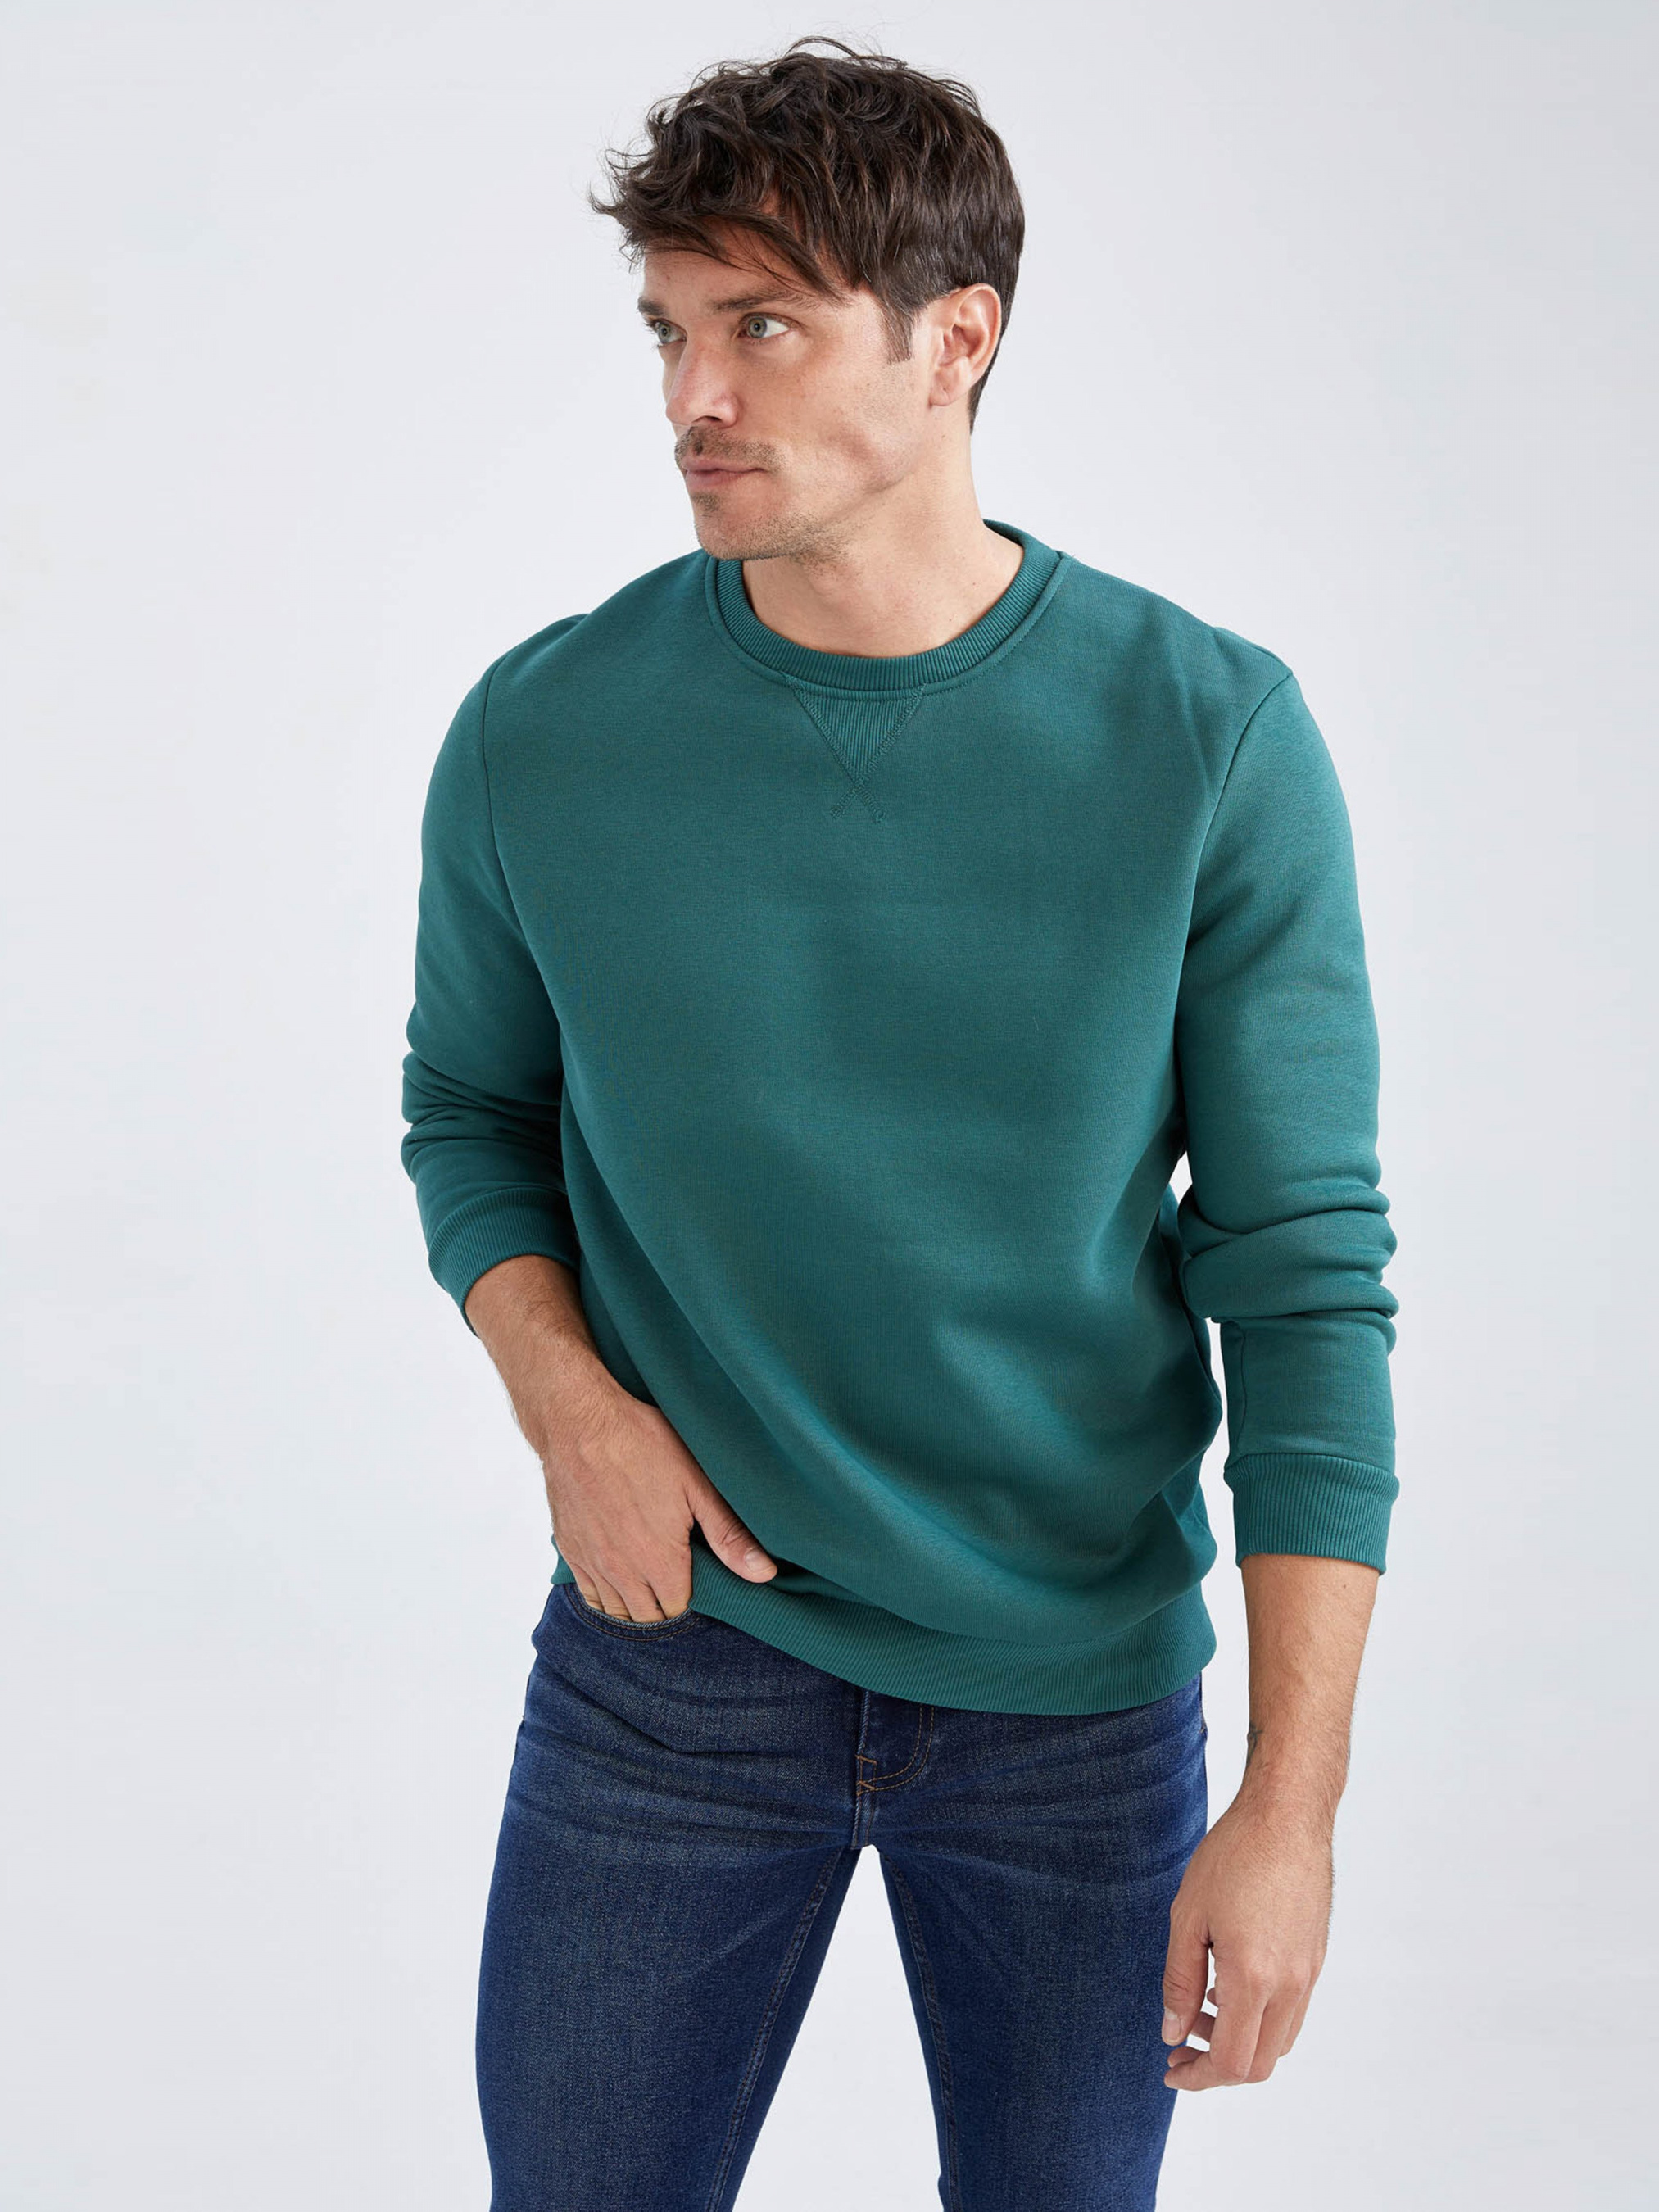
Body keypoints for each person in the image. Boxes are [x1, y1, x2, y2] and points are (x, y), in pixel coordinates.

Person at [399, 34, 1398, 2211]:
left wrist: (1290, 1804)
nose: (693, 395)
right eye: (668, 329)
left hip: (1074, 1698)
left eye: (762, 325)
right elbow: (469, 1110)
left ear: (959, 339)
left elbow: (1304, 1278)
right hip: (673, 1666)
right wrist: (568, 1401)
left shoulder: (1207, 736)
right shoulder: (545, 731)